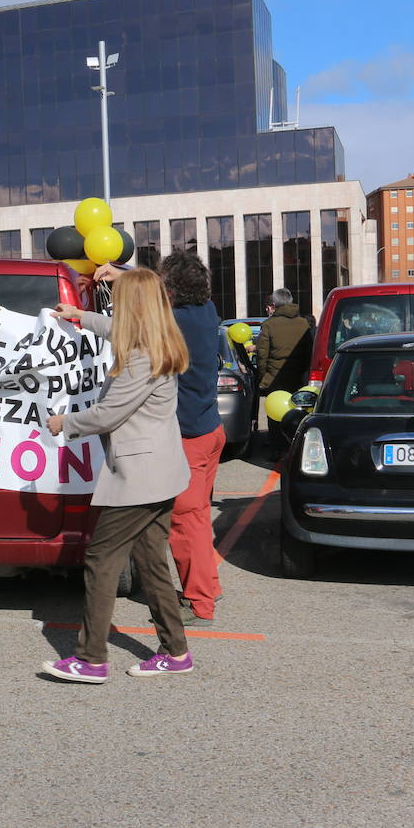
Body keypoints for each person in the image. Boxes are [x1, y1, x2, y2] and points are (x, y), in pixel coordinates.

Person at [41, 267, 193, 683]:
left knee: (100, 560)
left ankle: (90, 659)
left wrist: (64, 424)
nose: (112, 305)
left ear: (134, 307)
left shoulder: (141, 357)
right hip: (160, 473)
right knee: (151, 564)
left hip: (139, 478)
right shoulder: (156, 338)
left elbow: (109, 413)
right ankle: (176, 651)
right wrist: (77, 315)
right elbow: (113, 328)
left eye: (118, 299)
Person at [159, 250, 224, 625]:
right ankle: (207, 587)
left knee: (186, 525)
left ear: (170, 288)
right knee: (198, 519)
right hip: (210, 430)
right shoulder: (207, 310)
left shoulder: (173, 322)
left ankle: (200, 603)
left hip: (188, 439)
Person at [256, 287, 312, 458]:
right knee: (298, 412)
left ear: (274, 304)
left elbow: (262, 355)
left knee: (274, 415)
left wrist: (263, 376)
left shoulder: (268, 325)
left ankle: (275, 449)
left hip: (275, 378)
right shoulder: (303, 323)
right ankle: (295, 448)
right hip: (298, 377)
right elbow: (309, 351)